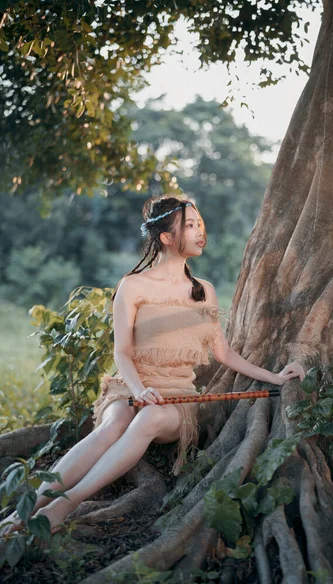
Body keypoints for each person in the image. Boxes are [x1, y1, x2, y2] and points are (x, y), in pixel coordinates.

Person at [0, 194, 305, 537]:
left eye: (200, 225)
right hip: (130, 385)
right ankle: (25, 509)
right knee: (113, 426)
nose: (199, 232)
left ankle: (63, 505)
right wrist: (138, 389)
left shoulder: (204, 290)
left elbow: (225, 354)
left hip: (176, 396)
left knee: (150, 416)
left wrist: (276, 376)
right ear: (165, 237)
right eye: (190, 226)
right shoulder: (133, 285)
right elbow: (123, 353)